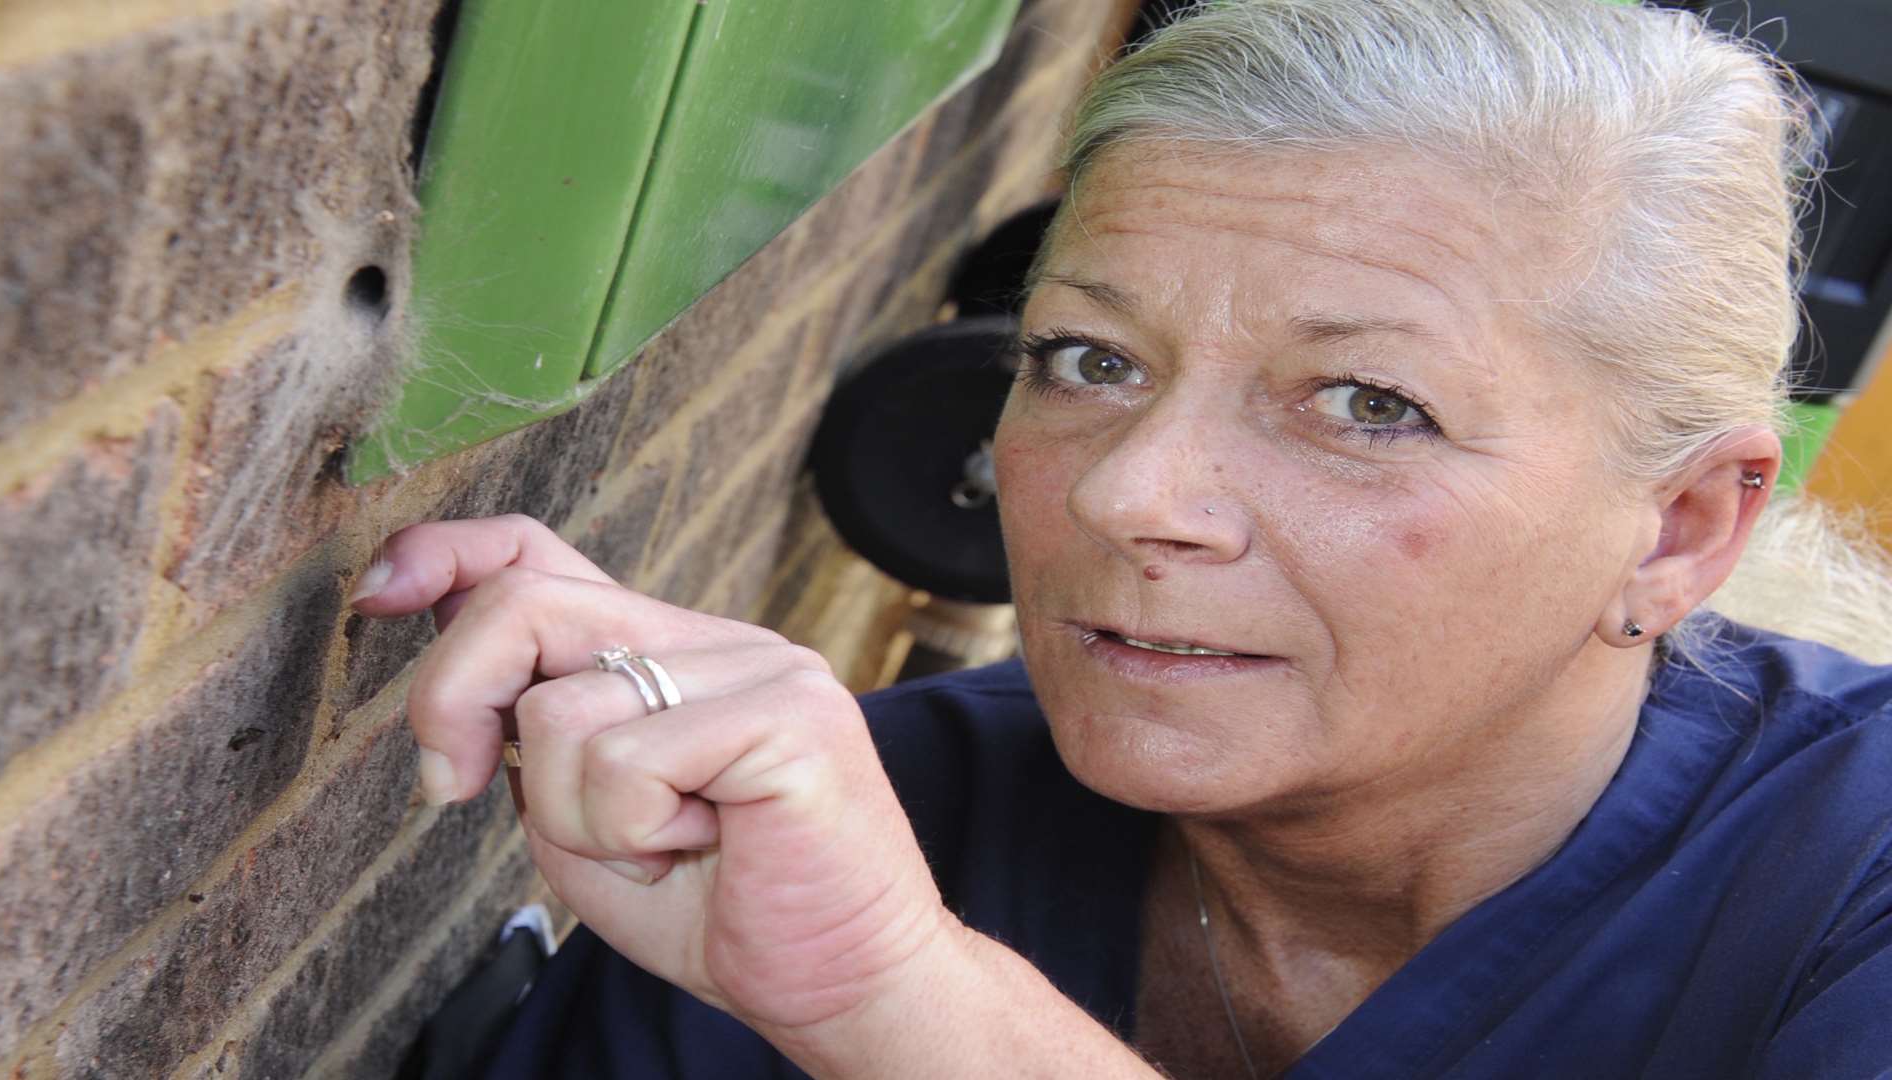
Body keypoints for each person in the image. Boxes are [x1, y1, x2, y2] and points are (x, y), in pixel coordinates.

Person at [349, 1, 1892, 1075]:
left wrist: (902, 1009)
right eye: (1088, 361)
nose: (1129, 495)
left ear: (1680, 528)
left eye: (1366, 401)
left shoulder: (1845, 880)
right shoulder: (871, 827)